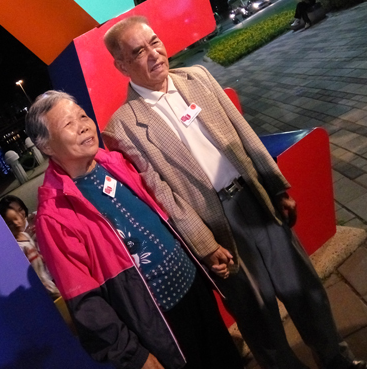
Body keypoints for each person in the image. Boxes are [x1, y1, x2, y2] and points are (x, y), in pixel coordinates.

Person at [101, 15, 367, 369]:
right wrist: (204, 244)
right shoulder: (123, 127)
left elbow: (243, 133)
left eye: (155, 41)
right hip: (216, 228)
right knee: (259, 321)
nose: (154, 53)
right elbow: (163, 194)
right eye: (139, 51)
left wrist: (275, 186)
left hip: (254, 199)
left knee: (305, 291)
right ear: (121, 65)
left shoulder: (196, 77)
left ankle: (338, 361)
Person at [26, 91, 243, 369]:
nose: (82, 125)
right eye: (68, 124)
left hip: (195, 289)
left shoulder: (116, 162)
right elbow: (85, 303)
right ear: (46, 146)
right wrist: (132, 355)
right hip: (160, 323)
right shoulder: (54, 218)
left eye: (82, 115)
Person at [0, 198, 61, 299]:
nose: (15, 223)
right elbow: (35, 274)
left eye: (17, 215)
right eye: (9, 223)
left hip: (54, 277)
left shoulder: (26, 233)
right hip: (47, 288)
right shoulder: (16, 246)